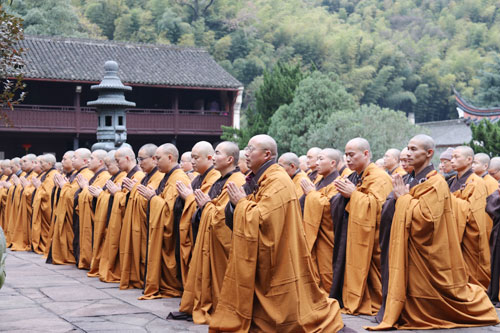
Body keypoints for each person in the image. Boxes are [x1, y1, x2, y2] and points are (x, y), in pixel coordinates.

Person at [209, 135, 346, 332]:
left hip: (279, 253)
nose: (245, 153)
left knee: (283, 303)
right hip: (265, 251)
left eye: (251, 149)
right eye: (246, 149)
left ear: (266, 155)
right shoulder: (258, 179)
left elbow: (265, 219)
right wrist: (236, 204)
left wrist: (240, 203)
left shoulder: (278, 180)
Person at [368, 135, 499, 330]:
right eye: (408, 149)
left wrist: (404, 199)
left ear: (429, 153)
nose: (408, 153)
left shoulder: (436, 182)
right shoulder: (413, 179)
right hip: (410, 247)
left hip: (428, 250)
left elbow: (427, 220)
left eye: (414, 149)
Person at [177, 141, 245, 324]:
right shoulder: (221, 179)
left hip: (223, 242)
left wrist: (205, 205)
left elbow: (223, 217)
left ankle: (220, 306)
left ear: (230, 159)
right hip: (208, 237)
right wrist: (203, 205)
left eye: (217, 153)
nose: (213, 157)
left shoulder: (237, 181)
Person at [329, 138, 393, 315]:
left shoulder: (379, 177)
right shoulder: (354, 176)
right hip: (354, 233)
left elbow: (380, 210)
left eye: (351, 155)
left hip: (373, 238)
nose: (348, 159)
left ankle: (374, 299)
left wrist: (353, 195)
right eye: (346, 155)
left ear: (366, 154)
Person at [138, 143, 191, 299]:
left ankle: (171, 286)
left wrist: (152, 199)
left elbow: (171, 209)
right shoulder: (168, 175)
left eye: (158, 158)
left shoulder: (178, 177)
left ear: (169, 157)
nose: (155, 161)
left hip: (172, 232)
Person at [118, 144, 163, 289]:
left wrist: (135, 192)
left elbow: (158, 201)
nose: (139, 162)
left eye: (142, 159)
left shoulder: (158, 176)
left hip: (149, 225)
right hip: (141, 224)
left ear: (154, 159)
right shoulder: (146, 176)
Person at [176, 141, 220, 285]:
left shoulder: (214, 177)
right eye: (192, 158)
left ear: (209, 158)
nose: (192, 161)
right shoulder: (199, 177)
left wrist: (188, 196)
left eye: (196, 158)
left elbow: (206, 204)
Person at [99, 146, 144, 283]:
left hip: (132, 222)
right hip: (123, 221)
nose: (116, 164)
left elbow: (134, 201)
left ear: (127, 158)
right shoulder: (127, 176)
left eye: (117, 161)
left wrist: (117, 194)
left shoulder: (138, 177)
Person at [448, 146, 490, 290]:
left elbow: (475, 215)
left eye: (456, 157)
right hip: (453, 232)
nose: (452, 160)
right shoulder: (452, 180)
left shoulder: (477, 182)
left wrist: (450, 200)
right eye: (451, 157)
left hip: (469, 237)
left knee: (471, 273)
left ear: (469, 160)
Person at [300, 148, 341, 293]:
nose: (316, 163)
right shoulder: (318, 181)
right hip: (314, 233)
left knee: (326, 268)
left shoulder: (338, 183)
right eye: (316, 159)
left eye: (320, 159)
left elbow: (329, 208)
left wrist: (311, 194)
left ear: (332, 163)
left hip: (327, 236)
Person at [48, 148, 94, 265]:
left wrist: (64, 186)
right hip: (69, 213)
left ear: (84, 161)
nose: (72, 160)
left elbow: (74, 195)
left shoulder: (87, 174)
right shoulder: (77, 174)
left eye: (74, 157)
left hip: (76, 214)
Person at [87, 150, 126, 277]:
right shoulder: (111, 177)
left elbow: (126, 200)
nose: (107, 168)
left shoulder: (122, 177)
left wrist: (101, 195)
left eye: (109, 165)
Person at [74, 150, 111, 269]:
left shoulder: (104, 177)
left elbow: (93, 196)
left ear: (101, 162)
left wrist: (84, 188)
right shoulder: (95, 176)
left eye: (91, 158)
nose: (88, 161)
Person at [31, 154, 57, 254]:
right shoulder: (47, 174)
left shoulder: (52, 175)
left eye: (41, 163)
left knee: (47, 229)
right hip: (44, 207)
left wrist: (39, 187)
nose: (40, 165)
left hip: (47, 208)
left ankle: (46, 246)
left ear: (49, 164)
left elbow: (47, 194)